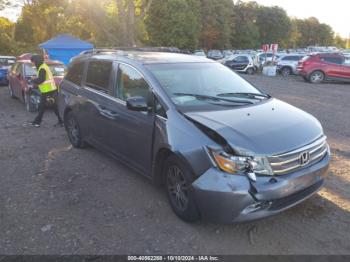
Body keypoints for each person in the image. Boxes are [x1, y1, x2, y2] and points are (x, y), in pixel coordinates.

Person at [30, 54, 63, 128]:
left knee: (43, 106)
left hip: (48, 90)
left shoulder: (42, 68)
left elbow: (41, 80)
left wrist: (33, 80)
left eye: (32, 62)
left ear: (36, 61)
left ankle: (37, 122)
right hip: (50, 90)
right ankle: (61, 121)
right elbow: (43, 78)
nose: (32, 63)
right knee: (53, 106)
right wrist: (36, 78)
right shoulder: (42, 66)